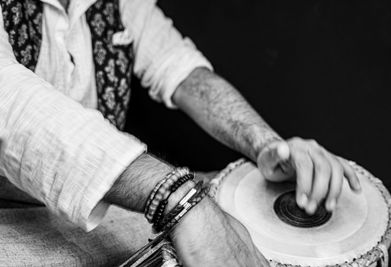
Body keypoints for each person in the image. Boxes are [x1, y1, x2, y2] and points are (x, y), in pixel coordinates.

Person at [0, 0, 361, 266]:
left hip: (95, 211)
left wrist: (266, 145)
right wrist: (178, 199)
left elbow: (182, 70)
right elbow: (12, 103)